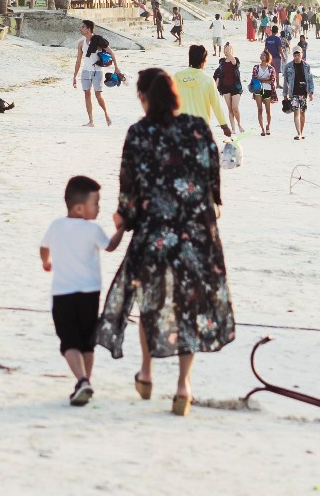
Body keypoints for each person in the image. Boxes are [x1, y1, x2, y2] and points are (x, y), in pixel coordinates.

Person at [96, 67, 237, 416]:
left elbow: (128, 189)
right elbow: (212, 177)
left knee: (151, 301)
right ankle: (183, 386)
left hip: (154, 231)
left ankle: (146, 372)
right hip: (196, 230)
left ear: (144, 98)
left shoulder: (139, 133)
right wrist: (212, 205)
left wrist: (123, 221)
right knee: (187, 304)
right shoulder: (198, 128)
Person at [42, 175, 111, 407]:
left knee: (69, 342)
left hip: (63, 294)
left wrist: (46, 262)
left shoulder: (56, 225)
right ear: (80, 208)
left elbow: (43, 248)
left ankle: (81, 380)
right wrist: (121, 228)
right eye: (96, 204)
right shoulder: (93, 230)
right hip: (90, 294)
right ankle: (86, 381)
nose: (99, 208)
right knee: (87, 342)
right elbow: (110, 246)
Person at [173, 43, 233, 137]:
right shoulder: (208, 80)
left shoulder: (178, 76)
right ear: (203, 61)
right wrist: (224, 126)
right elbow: (216, 104)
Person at [282, 47, 315, 141]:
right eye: (295, 55)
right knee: (296, 112)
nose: (297, 57)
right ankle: (298, 133)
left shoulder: (306, 66)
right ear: (293, 55)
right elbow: (285, 81)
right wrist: (285, 94)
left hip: (303, 92)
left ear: (302, 54)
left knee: (303, 113)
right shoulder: (288, 66)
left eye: (298, 55)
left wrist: (311, 92)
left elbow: (310, 79)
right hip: (294, 93)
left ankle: (301, 131)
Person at [215, 42, 246, 132]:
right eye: (226, 49)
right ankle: (233, 128)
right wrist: (215, 86)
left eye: (229, 49)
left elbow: (234, 63)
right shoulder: (221, 61)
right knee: (230, 108)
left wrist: (229, 53)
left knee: (235, 107)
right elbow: (219, 74)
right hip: (225, 87)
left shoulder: (236, 59)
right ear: (223, 51)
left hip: (235, 87)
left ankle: (239, 124)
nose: (227, 50)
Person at [249, 55, 277, 137]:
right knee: (260, 109)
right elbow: (254, 78)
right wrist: (265, 79)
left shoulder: (271, 68)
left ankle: (268, 125)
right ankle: (262, 129)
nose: (262, 57)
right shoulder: (256, 67)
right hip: (258, 90)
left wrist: (260, 79)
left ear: (267, 57)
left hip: (268, 90)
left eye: (264, 55)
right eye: (261, 55)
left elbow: (272, 80)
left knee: (268, 111)